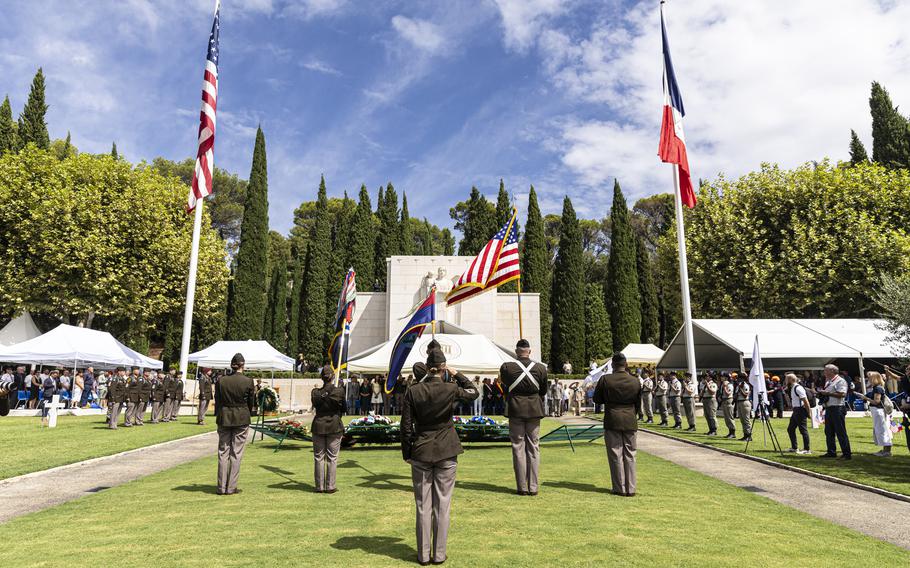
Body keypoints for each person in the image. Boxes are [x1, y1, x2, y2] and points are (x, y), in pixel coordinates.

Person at [401, 348, 478, 566]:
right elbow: (474, 392)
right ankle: (439, 554)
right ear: (443, 368)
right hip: (446, 448)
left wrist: (407, 452)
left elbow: (406, 427)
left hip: (422, 449)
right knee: (442, 505)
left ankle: (423, 555)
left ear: (426, 368)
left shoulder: (413, 391)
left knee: (423, 506)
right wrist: (457, 374)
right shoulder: (451, 387)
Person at [499, 339, 548, 496]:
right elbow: (543, 390)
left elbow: (505, 384)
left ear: (516, 351)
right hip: (534, 409)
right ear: (529, 351)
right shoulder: (541, 368)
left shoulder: (507, 367)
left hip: (516, 409)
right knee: (534, 447)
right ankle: (533, 487)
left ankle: (522, 487)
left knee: (518, 447)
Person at [593, 353, 641, 496]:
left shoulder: (605, 379)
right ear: (626, 364)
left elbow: (597, 399)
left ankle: (619, 487)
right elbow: (638, 403)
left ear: (613, 365)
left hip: (613, 418)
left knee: (615, 453)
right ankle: (631, 488)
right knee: (630, 454)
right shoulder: (635, 381)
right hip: (630, 418)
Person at [214, 353, 256, 495]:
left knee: (223, 452)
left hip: (225, 416)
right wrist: (248, 412)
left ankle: (221, 487)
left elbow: (218, 400)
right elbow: (251, 402)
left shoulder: (221, 380)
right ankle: (231, 487)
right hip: (241, 417)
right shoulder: (248, 381)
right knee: (236, 453)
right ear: (243, 365)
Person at [311, 366, 345, 493]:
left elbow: (315, 404)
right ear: (333, 377)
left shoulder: (315, 392)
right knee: (332, 457)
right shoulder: (339, 391)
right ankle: (330, 486)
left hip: (319, 425)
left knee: (319, 457)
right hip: (334, 425)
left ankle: (319, 486)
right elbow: (344, 408)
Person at [817, 364, 851, 460]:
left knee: (840, 431)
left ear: (832, 371)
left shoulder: (840, 381)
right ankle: (831, 451)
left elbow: (842, 394)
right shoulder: (829, 381)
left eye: (826, 371)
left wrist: (827, 393)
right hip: (829, 408)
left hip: (838, 408)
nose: (824, 373)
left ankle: (846, 453)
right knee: (829, 431)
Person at [858, 372, 892, 457]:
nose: (868, 379)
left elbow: (876, 401)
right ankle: (885, 450)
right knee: (880, 430)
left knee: (882, 430)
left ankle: (887, 451)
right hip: (876, 411)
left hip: (878, 411)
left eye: (870, 378)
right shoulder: (876, 388)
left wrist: (865, 398)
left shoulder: (878, 388)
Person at [785, 373, 811, 454]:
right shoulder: (792, 387)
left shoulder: (798, 388)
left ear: (791, 380)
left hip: (800, 410)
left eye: (787, 379)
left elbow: (805, 401)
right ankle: (794, 447)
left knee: (803, 430)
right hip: (796, 410)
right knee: (790, 429)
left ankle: (807, 449)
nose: (785, 381)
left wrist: (808, 413)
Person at [734, 375, 752, 442]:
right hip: (739, 402)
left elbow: (745, 395)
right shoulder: (739, 385)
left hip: (744, 402)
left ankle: (749, 435)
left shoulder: (745, 385)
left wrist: (740, 389)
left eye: (739, 378)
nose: (737, 379)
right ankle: (745, 435)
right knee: (742, 420)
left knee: (746, 420)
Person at [720, 374, 736, 439]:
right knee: (726, 418)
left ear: (726, 378)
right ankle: (730, 431)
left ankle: (733, 432)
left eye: (722, 377)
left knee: (729, 416)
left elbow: (728, 393)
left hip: (728, 400)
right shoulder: (722, 385)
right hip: (724, 400)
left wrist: (724, 387)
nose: (721, 378)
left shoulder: (729, 385)